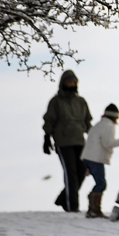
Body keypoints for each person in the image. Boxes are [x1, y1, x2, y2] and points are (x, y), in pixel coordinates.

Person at [42, 69, 92, 212]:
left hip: (80, 142)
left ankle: (64, 198)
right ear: (63, 83)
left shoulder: (81, 102)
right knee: (71, 174)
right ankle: (72, 207)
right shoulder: (56, 101)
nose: (71, 83)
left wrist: (95, 138)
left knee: (82, 172)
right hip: (63, 142)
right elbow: (49, 119)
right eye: (69, 81)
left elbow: (88, 122)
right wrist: (47, 137)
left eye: (74, 81)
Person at [80, 104, 119, 218]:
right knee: (101, 183)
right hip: (96, 158)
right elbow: (108, 143)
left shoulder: (98, 124)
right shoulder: (108, 126)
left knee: (99, 183)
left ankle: (92, 209)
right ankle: (94, 209)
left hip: (87, 157)